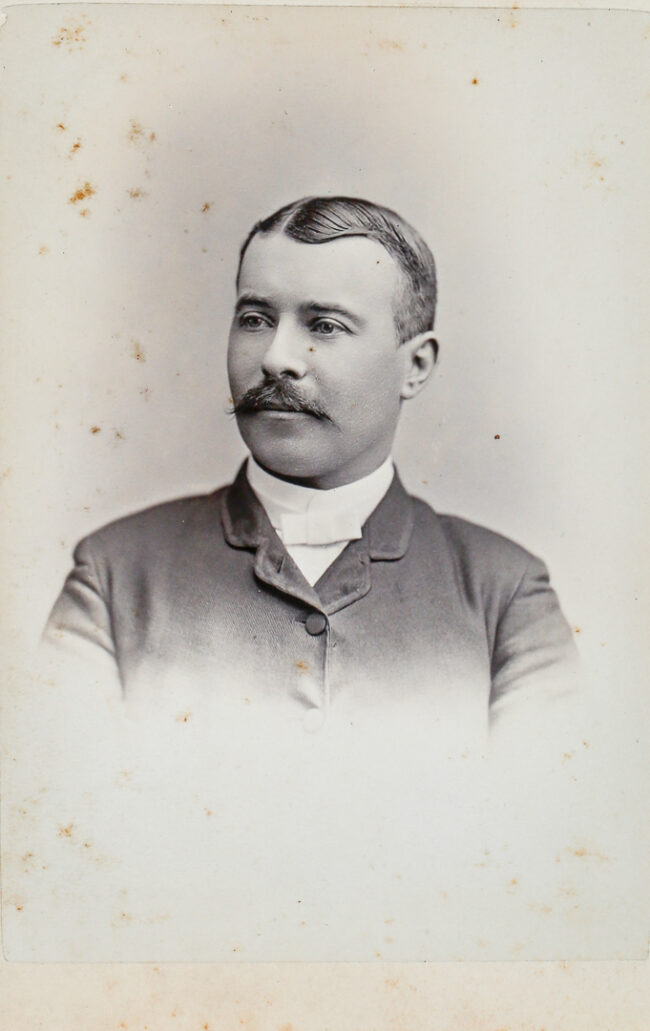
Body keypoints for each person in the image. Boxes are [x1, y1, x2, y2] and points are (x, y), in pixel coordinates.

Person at [42, 196, 580, 743]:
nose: (276, 358)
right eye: (255, 319)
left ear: (415, 367)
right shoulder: (113, 577)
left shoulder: (504, 594)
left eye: (324, 325)